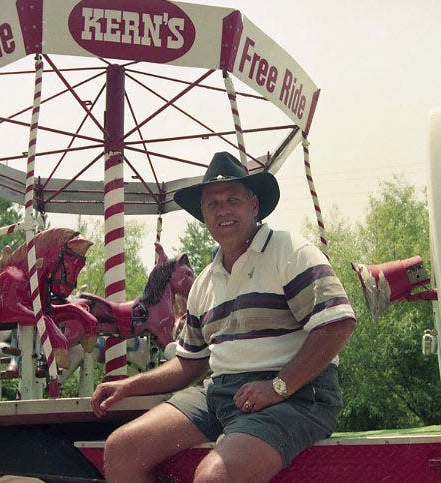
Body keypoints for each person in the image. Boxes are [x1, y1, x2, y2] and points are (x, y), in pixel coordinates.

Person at [91, 151, 356, 482]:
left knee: (214, 478)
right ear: (203, 215)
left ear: (254, 205)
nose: (223, 210)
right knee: (122, 449)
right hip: (220, 393)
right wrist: (129, 385)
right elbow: (190, 361)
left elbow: (338, 323)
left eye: (233, 199)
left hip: (297, 394)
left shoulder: (289, 251)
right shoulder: (205, 281)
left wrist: (278, 386)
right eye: (213, 204)